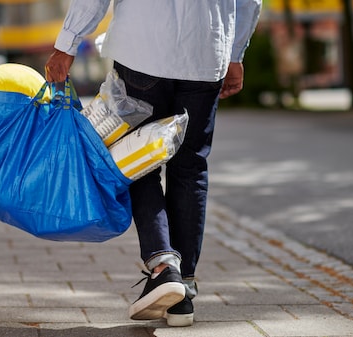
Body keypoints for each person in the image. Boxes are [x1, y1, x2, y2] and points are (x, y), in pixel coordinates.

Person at [45, 0, 262, 327]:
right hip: (206, 51)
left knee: (135, 161)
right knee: (190, 167)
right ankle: (183, 290)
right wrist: (235, 53)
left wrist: (67, 43)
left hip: (143, 49)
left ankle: (163, 267)